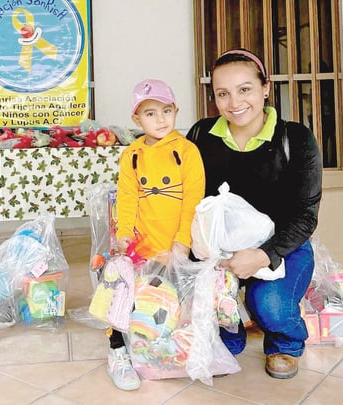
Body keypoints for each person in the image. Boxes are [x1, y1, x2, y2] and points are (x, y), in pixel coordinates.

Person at [186, 48, 322, 379]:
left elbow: (305, 215)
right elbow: (187, 197)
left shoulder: (296, 139)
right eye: (223, 93)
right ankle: (231, 335)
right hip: (218, 249)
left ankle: (285, 342)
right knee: (198, 301)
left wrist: (263, 255)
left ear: (265, 88)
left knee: (271, 307)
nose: (234, 102)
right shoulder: (202, 136)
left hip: (280, 246)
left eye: (245, 89)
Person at [106, 78, 205, 390]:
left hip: (174, 249)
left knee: (171, 307)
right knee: (125, 302)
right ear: (137, 119)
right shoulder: (132, 155)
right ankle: (119, 352)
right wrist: (124, 235)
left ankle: (164, 353)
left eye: (166, 110)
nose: (160, 119)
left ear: (176, 110)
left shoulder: (187, 152)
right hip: (141, 250)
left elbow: (193, 200)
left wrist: (182, 243)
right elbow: (127, 198)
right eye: (150, 113)